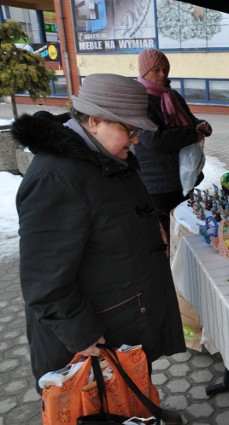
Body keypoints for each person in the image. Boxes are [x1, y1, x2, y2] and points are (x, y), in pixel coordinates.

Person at [12, 74, 186, 394]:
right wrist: (82, 334)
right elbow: (44, 281)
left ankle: (144, 415)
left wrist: (153, 223)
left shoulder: (101, 155)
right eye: (129, 130)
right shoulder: (54, 178)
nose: (135, 140)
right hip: (91, 337)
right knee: (100, 404)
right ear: (94, 122)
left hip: (123, 315)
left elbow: (116, 211)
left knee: (129, 393)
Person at [135, 47, 212, 216]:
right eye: (156, 70)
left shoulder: (173, 95)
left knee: (185, 223)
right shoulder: (139, 99)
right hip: (159, 182)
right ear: (144, 71)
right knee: (167, 229)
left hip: (183, 175)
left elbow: (189, 120)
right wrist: (193, 134)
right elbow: (154, 140)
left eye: (166, 69)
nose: (163, 74)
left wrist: (201, 125)